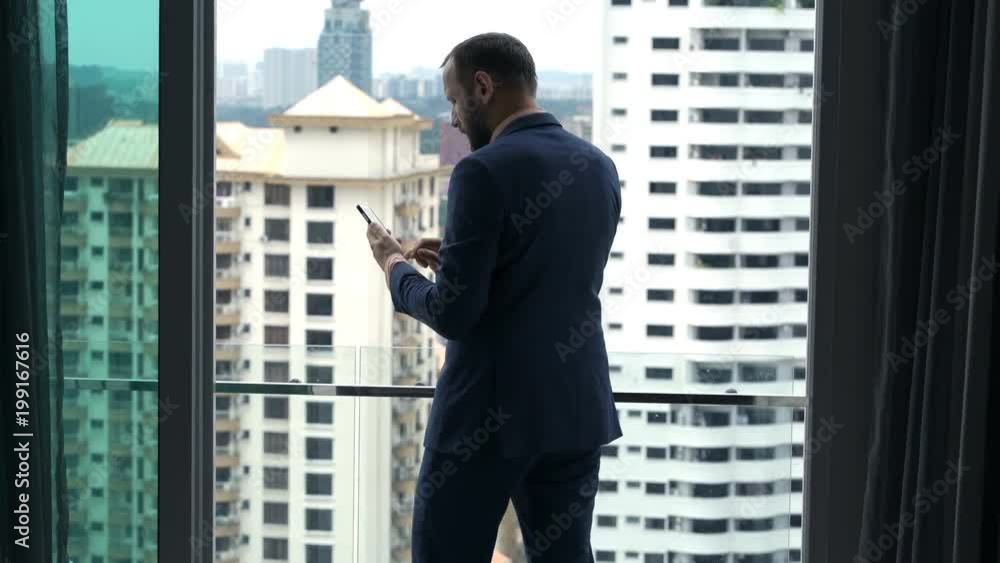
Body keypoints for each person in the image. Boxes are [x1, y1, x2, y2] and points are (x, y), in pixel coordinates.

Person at [366, 32, 622, 563]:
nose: (454, 120)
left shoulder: (481, 171)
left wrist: (394, 267)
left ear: (483, 87)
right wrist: (462, 259)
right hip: (573, 409)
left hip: (485, 419)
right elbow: (548, 273)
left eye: (454, 100)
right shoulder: (598, 167)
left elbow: (453, 314)